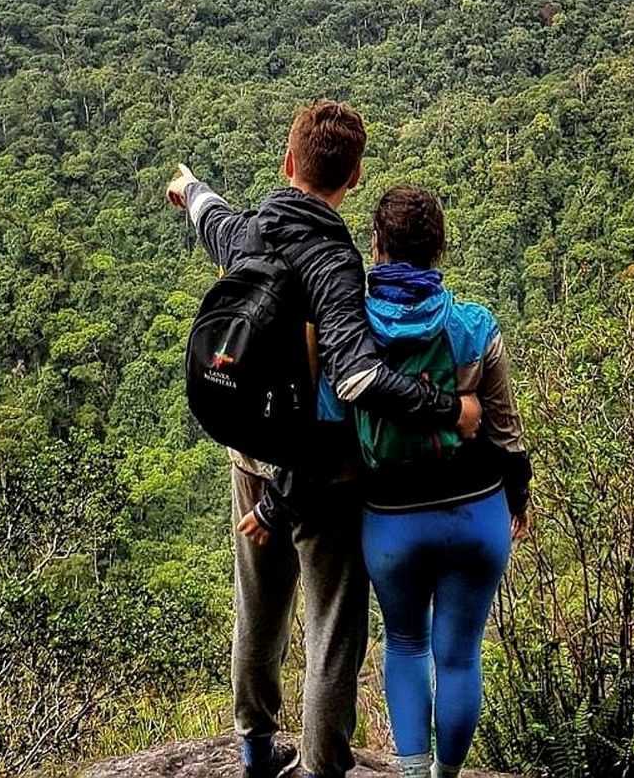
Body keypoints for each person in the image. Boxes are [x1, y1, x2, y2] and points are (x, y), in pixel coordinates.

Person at [165, 102, 482, 778]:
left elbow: (209, 215)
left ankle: (254, 748)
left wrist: (188, 187)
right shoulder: (335, 262)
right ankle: (319, 768)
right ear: (356, 175)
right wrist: (448, 410)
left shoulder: (251, 230)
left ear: (287, 163)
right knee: (334, 627)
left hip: (249, 452)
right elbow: (362, 377)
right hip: (321, 471)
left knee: (259, 608)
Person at [357, 186, 531, 778]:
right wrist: (519, 494)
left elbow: (335, 425)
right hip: (476, 512)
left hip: (391, 521)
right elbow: (505, 429)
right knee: (459, 656)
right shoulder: (474, 328)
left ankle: (410, 772)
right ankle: (447, 776)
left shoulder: (352, 332)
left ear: (376, 248)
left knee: (405, 644)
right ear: (440, 250)